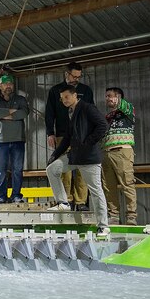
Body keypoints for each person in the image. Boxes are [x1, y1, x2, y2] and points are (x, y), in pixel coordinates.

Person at [45, 86, 109, 232]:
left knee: (95, 191)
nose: (63, 100)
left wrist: (87, 143)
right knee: (52, 169)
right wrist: (55, 155)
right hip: (75, 156)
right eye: (61, 98)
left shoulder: (88, 108)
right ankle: (63, 202)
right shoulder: (71, 112)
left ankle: (103, 227)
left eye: (66, 97)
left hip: (89, 158)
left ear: (75, 95)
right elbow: (67, 138)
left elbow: (103, 126)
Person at [45, 62, 94, 211]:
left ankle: (80, 202)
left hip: (82, 136)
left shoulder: (86, 90)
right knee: (62, 170)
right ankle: (65, 201)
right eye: (74, 76)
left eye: (79, 77)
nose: (76, 79)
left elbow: (91, 112)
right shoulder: (55, 91)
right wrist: (50, 133)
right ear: (66, 74)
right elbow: (49, 113)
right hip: (62, 134)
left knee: (81, 168)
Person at [0, 73, 28, 203]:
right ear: (0, 86)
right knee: (1, 170)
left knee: (17, 169)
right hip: (0, 141)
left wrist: (4, 113)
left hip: (18, 139)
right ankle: (1, 197)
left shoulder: (21, 99)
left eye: (10, 83)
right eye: (5, 83)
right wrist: (13, 111)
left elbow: (23, 113)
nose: (8, 86)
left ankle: (16, 195)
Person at [102, 87, 136, 223]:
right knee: (108, 186)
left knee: (127, 183)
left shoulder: (128, 110)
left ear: (119, 97)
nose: (107, 98)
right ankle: (113, 215)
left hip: (122, 151)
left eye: (110, 96)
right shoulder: (107, 117)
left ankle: (131, 216)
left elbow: (124, 105)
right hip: (107, 152)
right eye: (106, 96)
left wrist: (119, 101)